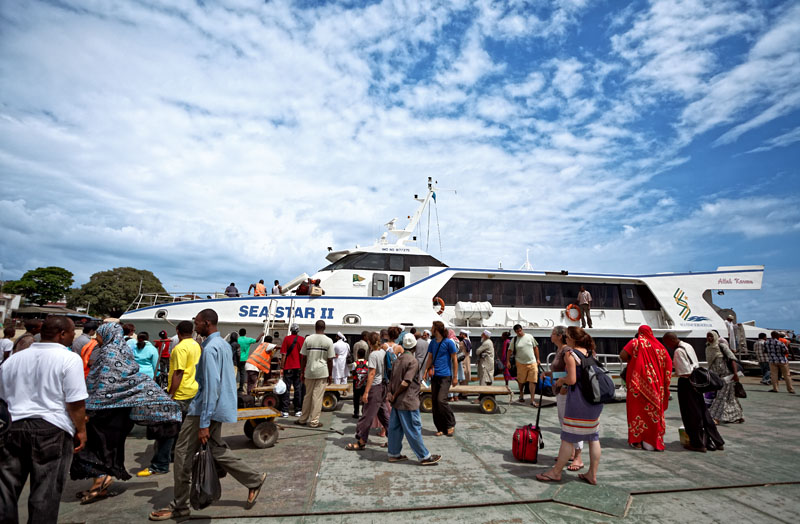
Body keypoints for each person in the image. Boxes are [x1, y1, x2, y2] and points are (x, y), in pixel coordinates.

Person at [149, 309, 266, 521]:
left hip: (203, 409)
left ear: (207, 323)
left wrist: (203, 422)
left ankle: (180, 506)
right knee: (214, 448)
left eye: (198, 321)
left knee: (183, 454)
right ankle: (254, 479)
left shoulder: (211, 347)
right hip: (216, 408)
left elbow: (212, 386)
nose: (195, 324)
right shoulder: (221, 344)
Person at [71, 323, 181, 504]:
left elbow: (103, 381)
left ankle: (101, 479)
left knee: (95, 444)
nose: (96, 337)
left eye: (99, 334)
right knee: (110, 445)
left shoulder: (107, 353)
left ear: (107, 335)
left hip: (104, 410)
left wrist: (90, 404)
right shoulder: (124, 351)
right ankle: (102, 479)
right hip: (119, 409)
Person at [0, 315, 87, 522]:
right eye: (72, 333)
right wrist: (81, 430)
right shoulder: (69, 358)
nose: (73, 337)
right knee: (45, 493)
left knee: (6, 490)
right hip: (51, 429)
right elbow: (75, 402)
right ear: (62, 334)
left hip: (13, 427)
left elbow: (3, 398)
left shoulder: (14, 359)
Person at [536, 327, 602, 485]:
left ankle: (556, 472)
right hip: (594, 399)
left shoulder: (570, 354)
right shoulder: (589, 351)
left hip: (578, 400)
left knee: (567, 437)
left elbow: (571, 379)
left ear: (572, 338)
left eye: (567, 336)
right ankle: (592, 474)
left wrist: (561, 381)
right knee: (593, 438)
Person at [138, 321, 201, 477]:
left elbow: (178, 373)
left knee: (166, 431)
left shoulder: (179, 348)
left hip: (180, 393)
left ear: (177, 331)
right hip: (193, 390)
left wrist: (170, 394)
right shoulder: (196, 345)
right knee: (184, 429)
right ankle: (179, 456)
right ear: (192, 331)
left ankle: (160, 464)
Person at [385, 333, 442, 466]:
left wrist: (391, 394)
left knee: (395, 429)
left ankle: (393, 454)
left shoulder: (397, 360)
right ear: (415, 347)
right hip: (408, 401)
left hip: (396, 402)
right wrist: (395, 393)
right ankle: (424, 456)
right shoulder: (413, 361)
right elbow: (406, 382)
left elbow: (390, 379)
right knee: (413, 428)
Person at [663, 332, 724, 452]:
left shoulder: (678, 351)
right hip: (697, 383)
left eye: (666, 343)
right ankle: (716, 441)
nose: (667, 346)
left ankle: (698, 443)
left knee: (691, 414)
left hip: (687, 383)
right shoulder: (688, 345)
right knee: (703, 412)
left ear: (671, 340)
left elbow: (685, 371)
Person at [620, 325, 672, 451]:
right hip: (656, 387)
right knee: (653, 413)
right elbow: (669, 364)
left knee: (636, 412)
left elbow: (622, 355)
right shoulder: (660, 347)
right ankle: (653, 440)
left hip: (637, 386)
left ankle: (637, 441)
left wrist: (633, 359)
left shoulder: (635, 342)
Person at [347, 332, 391, 450]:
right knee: (383, 414)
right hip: (383, 386)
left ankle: (361, 441)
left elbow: (371, 374)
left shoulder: (373, 355)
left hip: (375, 387)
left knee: (367, 415)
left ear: (369, 342)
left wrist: (366, 392)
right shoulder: (383, 352)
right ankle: (393, 438)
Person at [548, 325, 584, 471]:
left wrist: (564, 386)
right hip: (559, 390)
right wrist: (550, 376)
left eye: (552, 333)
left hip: (565, 392)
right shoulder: (559, 350)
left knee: (571, 423)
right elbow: (559, 372)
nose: (550, 335)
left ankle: (578, 457)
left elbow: (569, 373)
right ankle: (570, 452)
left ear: (559, 335)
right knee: (563, 422)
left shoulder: (566, 351)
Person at [294, 320, 334, 428]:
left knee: (307, 396)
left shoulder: (308, 339)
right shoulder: (329, 341)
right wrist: (330, 375)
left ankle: (302, 419)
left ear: (315, 327)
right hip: (322, 371)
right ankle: (314, 421)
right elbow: (330, 360)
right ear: (324, 328)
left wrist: (302, 372)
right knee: (317, 397)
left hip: (309, 371)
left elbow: (303, 358)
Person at [422, 321, 458, 437]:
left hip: (445, 375)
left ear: (436, 329)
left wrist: (455, 377)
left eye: (432, 327)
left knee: (441, 400)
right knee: (435, 403)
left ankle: (450, 424)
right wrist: (425, 371)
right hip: (435, 376)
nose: (431, 329)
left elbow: (455, 360)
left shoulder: (449, 343)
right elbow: (430, 358)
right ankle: (440, 427)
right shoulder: (432, 342)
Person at [706, 331, 744, 424]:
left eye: (711, 336)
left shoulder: (722, 346)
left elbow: (732, 359)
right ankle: (737, 416)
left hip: (727, 375)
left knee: (720, 396)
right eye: (707, 336)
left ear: (715, 337)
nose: (709, 338)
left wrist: (735, 374)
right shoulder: (708, 348)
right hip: (716, 376)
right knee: (729, 397)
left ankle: (715, 418)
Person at [508, 324, 540, 407]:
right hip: (520, 363)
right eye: (517, 331)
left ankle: (532, 400)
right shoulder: (514, 340)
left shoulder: (529, 337)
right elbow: (510, 350)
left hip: (532, 362)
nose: (519, 332)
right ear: (515, 332)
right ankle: (521, 394)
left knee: (533, 381)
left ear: (522, 329)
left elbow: (535, 347)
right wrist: (508, 361)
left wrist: (538, 359)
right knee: (521, 381)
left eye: (520, 330)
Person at [279, 324, 305, 417]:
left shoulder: (286, 339)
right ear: (298, 331)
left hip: (288, 368)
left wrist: (282, 367)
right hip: (298, 368)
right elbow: (303, 356)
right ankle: (298, 410)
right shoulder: (302, 339)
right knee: (298, 389)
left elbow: (284, 354)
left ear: (291, 330)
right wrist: (303, 368)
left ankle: (285, 411)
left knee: (286, 389)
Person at [352, 347, 369, 419]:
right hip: (364, 383)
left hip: (356, 383)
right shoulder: (367, 363)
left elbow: (353, 373)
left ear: (358, 355)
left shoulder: (355, 363)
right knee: (364, 398)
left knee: (356, 398)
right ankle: (364, 412)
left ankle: (356, 413)